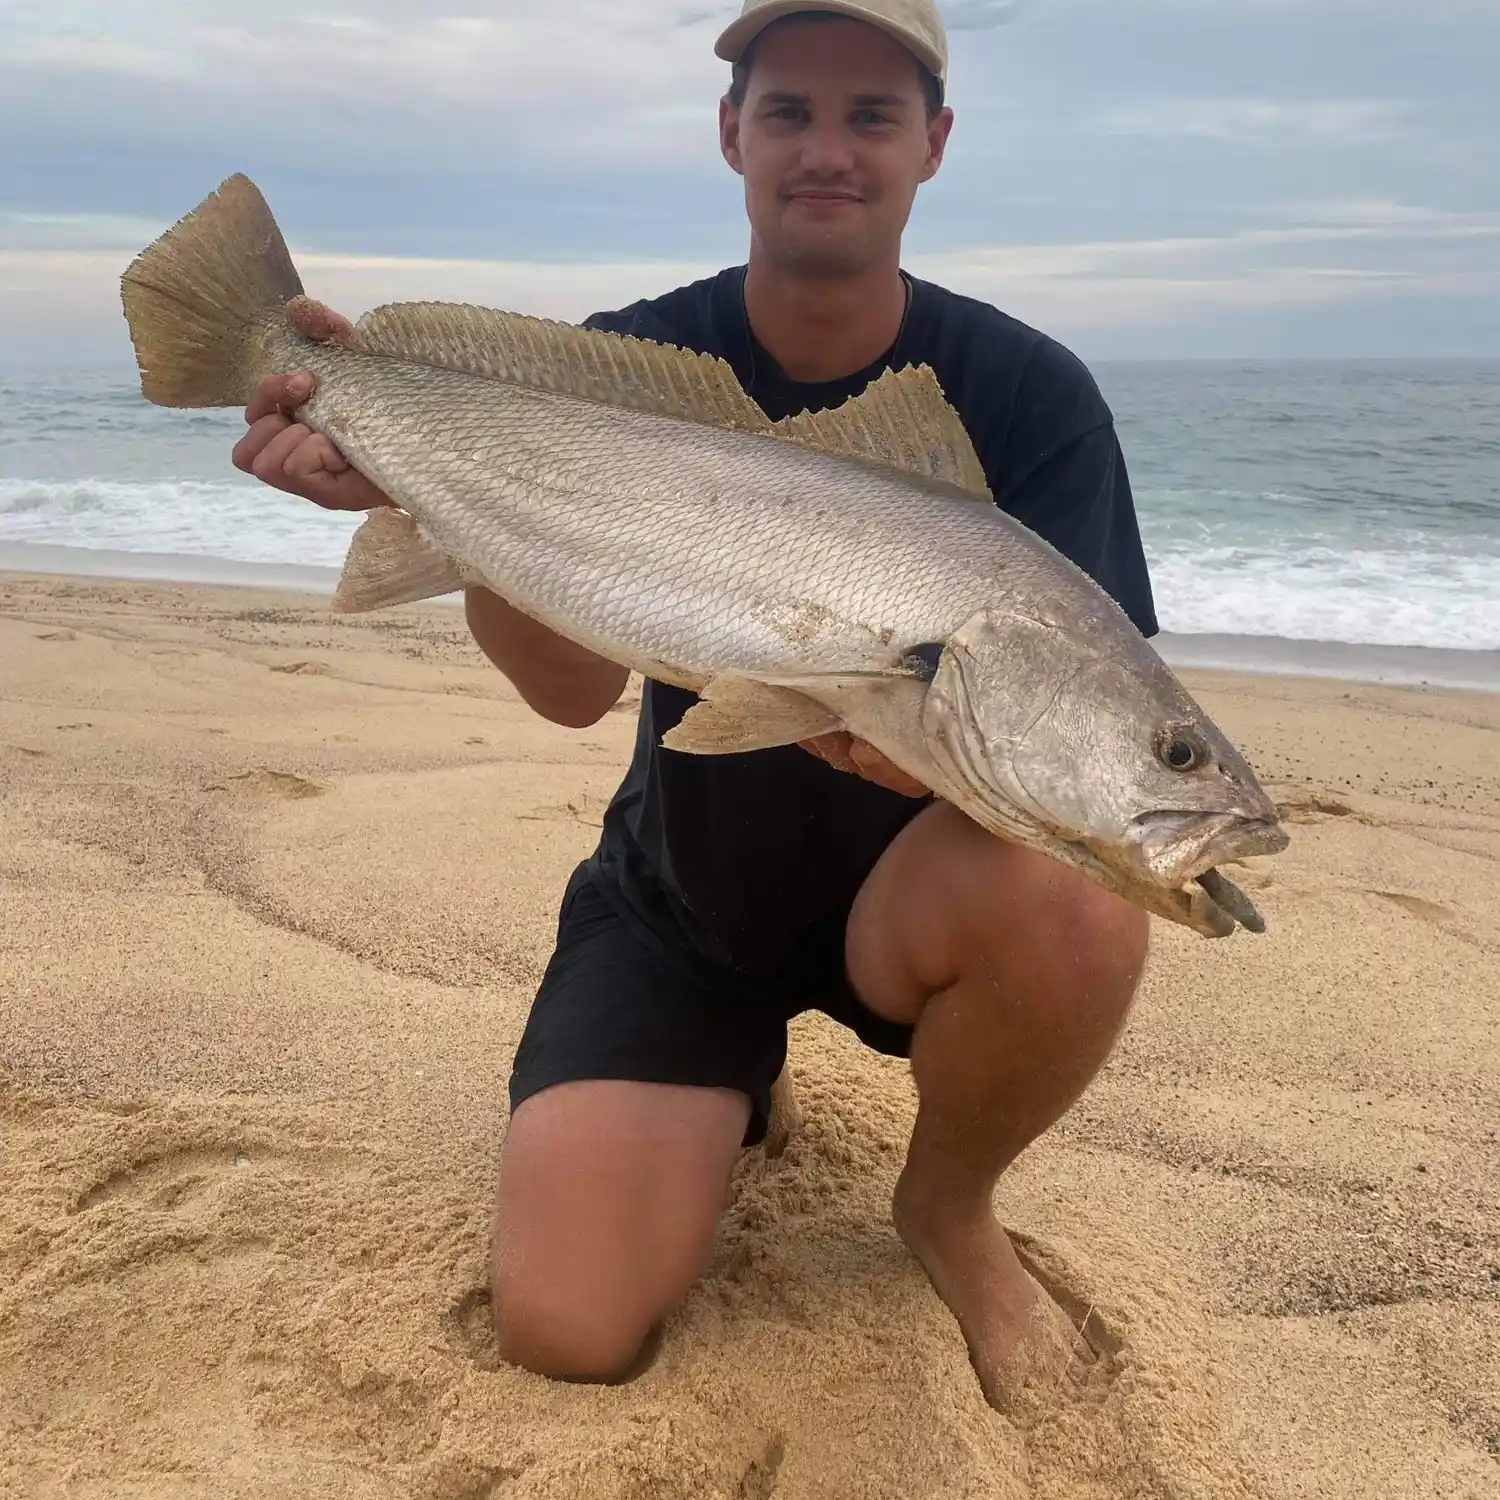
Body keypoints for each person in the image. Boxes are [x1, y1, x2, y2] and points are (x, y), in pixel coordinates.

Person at [231, 0, 1159, 1411]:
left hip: (912, 915)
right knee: (568, 1326)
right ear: (733, 133)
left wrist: (910, 749)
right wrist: (450, 499)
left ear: (936, 144)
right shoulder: (623, 370)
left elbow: (1069, 714)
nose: (827, 150)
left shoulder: (1030, 396)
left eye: (871, 115)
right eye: (788, 110)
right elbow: (566, 692)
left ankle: (950, 1210)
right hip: (686, 898)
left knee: (1091, 892)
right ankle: (730, 1082)